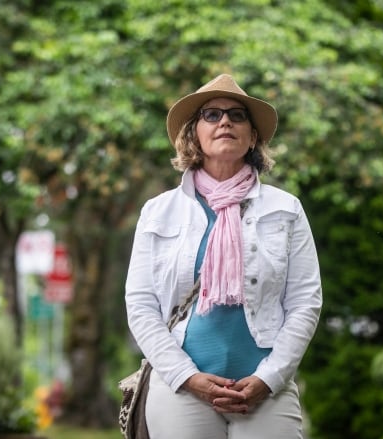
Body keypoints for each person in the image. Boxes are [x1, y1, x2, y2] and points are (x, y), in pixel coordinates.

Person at [125, 73, 322, 439]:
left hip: (266, 391)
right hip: (181, 387)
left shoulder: (286, 210)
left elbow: (305, 302)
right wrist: (187, 377)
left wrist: (269, 378)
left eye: (237, 115)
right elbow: (140, 305)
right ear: (193, 134)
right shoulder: (158, 212)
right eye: (211, 115)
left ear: (252, 138)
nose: (225, 122)